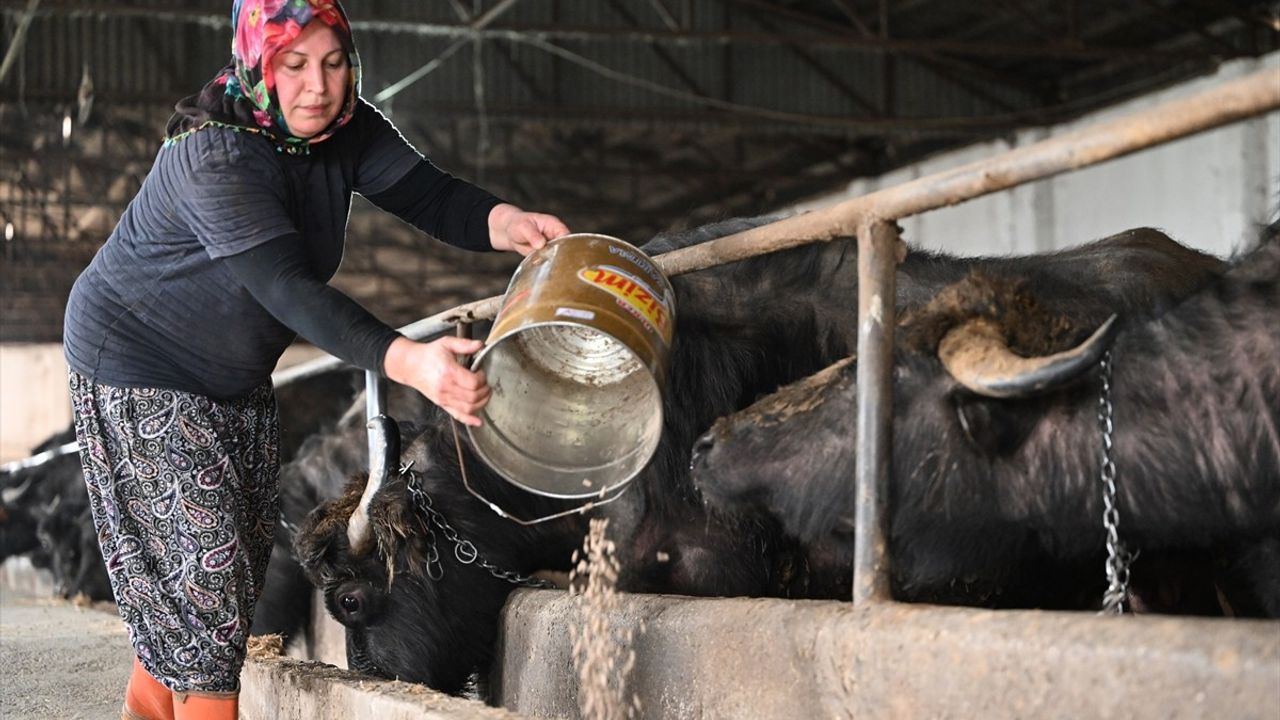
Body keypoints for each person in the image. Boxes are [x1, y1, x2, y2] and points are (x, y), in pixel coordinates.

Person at [62, 2, 569, 718]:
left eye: (334, 63)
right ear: (256, 64)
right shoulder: (217, 154)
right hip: (137, 365)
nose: (318, 85)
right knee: (207, 586)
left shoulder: (345, 128)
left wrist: (507, 222)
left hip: (232, 378)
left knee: (226, 586)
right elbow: (286, 289)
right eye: (292, 65)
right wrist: (410, 362)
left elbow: (431, 195)